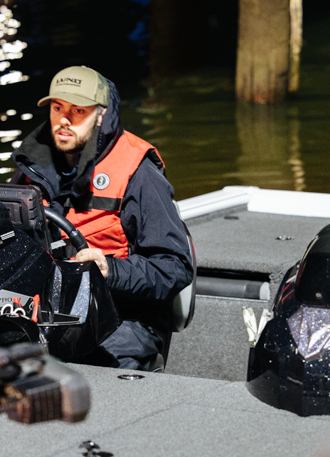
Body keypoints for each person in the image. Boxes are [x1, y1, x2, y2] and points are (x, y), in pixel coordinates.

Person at [11, 66, 194, 370]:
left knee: (90, 363)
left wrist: (111, 269)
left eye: (78, 111)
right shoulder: (31, 165)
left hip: (124, 316)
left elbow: (175, 268)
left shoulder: (139, 173)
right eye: (57, 108)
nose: (64, 120)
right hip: (49, 311)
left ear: (100, 115)